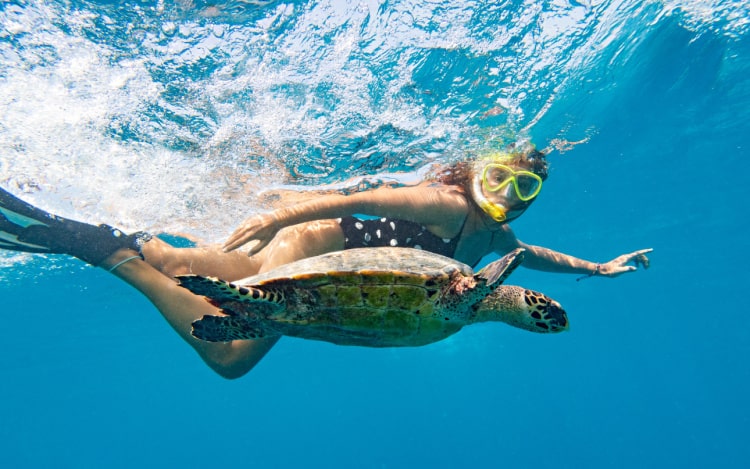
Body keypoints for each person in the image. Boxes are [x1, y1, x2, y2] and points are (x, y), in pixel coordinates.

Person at [0, 145, 651, 379]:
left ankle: (101, 227)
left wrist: (598, 269)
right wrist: (278, 215)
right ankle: (110, 252)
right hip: (316, 246)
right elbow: (357, 196)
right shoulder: (447, 203)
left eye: (526, 188)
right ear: (480, 168)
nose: (509, 192)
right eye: (503, 174)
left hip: (327, 255)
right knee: (230, 354)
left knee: (185, 257)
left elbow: (526, 253)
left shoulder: (489, 241)